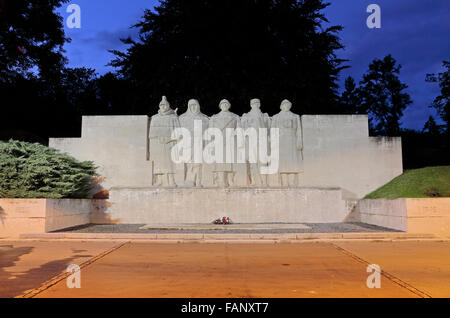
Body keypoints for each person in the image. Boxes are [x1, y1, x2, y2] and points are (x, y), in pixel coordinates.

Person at [149, 96, 181, 187]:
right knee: (159, 162)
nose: (163, 107)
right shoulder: (155, 118)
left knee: (170, 162)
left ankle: (171, 180)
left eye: (165, 105)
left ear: (168, 106)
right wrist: (158, 138)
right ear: (159, 106)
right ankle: (160, 180)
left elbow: (179, 133)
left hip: (170, 143)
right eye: (161, 105)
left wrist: (170, 139)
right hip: (158, 143)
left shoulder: (173, 117)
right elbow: (151, 133)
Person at [270, 99, 303, 187]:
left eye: (288, 105)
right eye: (285, 105)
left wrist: (299, 141)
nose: (286, 106)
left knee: (292, 161)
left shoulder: (295, 116)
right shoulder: (276, 117)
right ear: (281, 106)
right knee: (283, 161)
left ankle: (292, 182)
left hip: (292, 140)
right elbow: (272, 131)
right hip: (281, 140)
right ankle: (284, 182)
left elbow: (298, 130)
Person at [209, 99, 241, 188]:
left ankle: (231, 180)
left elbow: (239, 130)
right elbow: (211, 131)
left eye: (226, 104)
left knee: (231, 162)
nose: (225, 106)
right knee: (220, 162)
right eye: (223, 104)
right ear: (220, 106)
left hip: (231, 141)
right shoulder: (214, 117)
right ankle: (222, 181)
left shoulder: (235, 117)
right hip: (219, 142)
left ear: (229, 105)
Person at [179, 99, 210, 187]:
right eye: (191, 105)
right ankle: (189, 180)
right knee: (189, 163)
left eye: (195, 105)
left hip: (199, 143)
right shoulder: (182, 118)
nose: (193, 107)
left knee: (198, 163)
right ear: (188, 107)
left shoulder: (204, 118)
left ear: (198, 106)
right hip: (187, 144)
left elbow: (208, 132)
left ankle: (199, 181)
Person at [241, 99, 270, 186]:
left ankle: (264, 181)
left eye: (257, 103)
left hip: (262, 140)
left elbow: (268, 128)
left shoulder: (265, 115)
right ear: (251, 105)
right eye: (254, 103)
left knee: (263, 161)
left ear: (260, 104)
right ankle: (254, 181)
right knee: (253, 161)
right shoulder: (246, 116)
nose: (256, 105)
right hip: (251, 140)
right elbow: (243, 128)